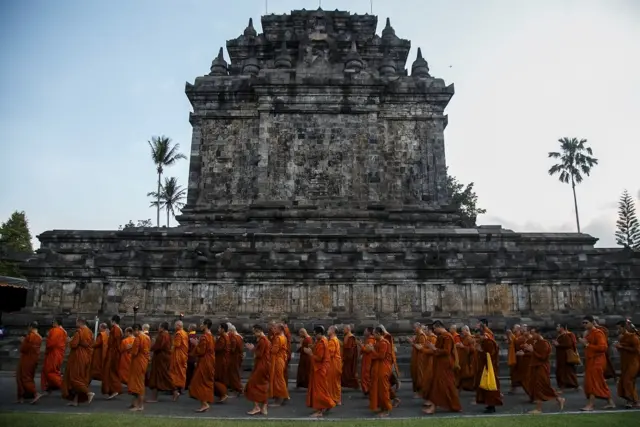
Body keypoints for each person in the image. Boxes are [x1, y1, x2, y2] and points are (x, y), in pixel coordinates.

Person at [421, 320, 461, 415]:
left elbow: (446, 351)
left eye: (435, 328)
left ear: (439, 327)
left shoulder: (447, 336)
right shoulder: (442, 336)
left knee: (439, 385)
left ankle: (434, 407)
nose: (434, 330)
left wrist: (433, 348)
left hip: (445, 364)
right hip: (441, 364)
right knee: (447, 386)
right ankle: (455, 406)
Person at [523, 327, 565, 414]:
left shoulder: (544, 343)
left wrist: (532, 350)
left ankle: (538, 409)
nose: (532, 335)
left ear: (539, 333)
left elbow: (543, 357)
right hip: (535, 366)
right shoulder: (537, 342)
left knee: (540, 386)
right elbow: (535, 354)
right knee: (542, 386)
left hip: (541, 367)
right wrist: (528, 350)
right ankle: (559, 399)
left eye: (533, 333)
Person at [580, 315, 615, 411]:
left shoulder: (598, 333)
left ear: (592, 322)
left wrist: (587, 344)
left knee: (593, 382)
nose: (584, 324)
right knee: (598, 382)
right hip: (591, 360)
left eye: (586, 322)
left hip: (597, 361)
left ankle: (590, 405)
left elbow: (603, 348)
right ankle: (610, 402)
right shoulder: (588, 333)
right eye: (583, 323)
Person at [62, 318, 95, 406]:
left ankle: (88, 393)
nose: (75, 323)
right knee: (80, 377)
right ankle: (75, 401)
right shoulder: (90, 332)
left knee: (74, 378)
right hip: (87, 357)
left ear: (80, 322)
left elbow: (74, 344)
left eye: (76, 322)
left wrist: (69, 341)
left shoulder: (79, 332)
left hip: (78, 357)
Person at [305, 325, 336, 418]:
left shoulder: (322, 343)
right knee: (323, 389)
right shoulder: (322, 341)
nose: (314, 337)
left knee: (319, 391)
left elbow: (319, 358)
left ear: (319, 334)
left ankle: (319, 411)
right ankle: (328, 404)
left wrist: (310, 353)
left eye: (315, 335)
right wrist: (313, 347)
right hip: (322, 368)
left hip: (320, 369)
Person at [189, 319, 216, 413]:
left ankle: (205, 404)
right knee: (204, 382)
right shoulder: (211, 336)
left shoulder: (205, 337)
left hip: (205, 362)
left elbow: (201, 351)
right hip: (209, 362)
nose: (200, 326)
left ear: (205, 325)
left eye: (202, 324)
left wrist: (196, 344)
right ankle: (204, 403)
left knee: (198, 382)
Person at [366, 326, 393, 417]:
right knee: (378, 389)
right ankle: (381, 407)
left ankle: (387, 409)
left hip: (383, 368)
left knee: (384, 389)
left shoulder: (384, 343)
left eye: (374, 334)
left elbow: (381, 356)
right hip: (377, 368)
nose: (373, 336)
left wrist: (372, 349)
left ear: (378, 333)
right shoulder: (378, 342)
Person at [245, 324, 271, 416]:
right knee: (263, 385)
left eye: (254, 332)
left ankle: (257, 407)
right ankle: (264, 407)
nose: (254, 334)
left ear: (259, 331)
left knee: (253, 385)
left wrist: (252, 349)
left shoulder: (263, 341)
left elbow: (259, 354)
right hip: (264, 365)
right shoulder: (264, 340)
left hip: (262, 365)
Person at [475, 330, 503, 413]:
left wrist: (481, 351)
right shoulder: (484, 342)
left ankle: (492, 406)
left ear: (483, 335)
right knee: (485, 387)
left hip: (489, 368)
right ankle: (488, 404)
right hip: (485, 367)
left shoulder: (489, 343)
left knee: (490, 386)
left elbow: (491, 355)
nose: (477, 339)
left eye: (478, 336)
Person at [614, 320, 640, 408]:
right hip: (624, 362)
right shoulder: (621, 338)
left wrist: (623, 347)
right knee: (623, 382)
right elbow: (621, 350)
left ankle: (635, 401)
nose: (618, 330)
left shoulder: (633, 337)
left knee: (628, 381)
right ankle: (629, 400)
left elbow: (637, 350)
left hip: (633, 362)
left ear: (624, 327)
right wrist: (618, 347)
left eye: (619, 328)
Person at [16, 322, 42, 404]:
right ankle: (22, 397)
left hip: (27, 360)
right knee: (25, 377)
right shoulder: (39, 337)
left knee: (24, 378)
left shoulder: (30, 337)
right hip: (34, 360)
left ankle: (35, 394)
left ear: (31, 327)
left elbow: (23, 349)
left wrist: (22, 341)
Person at [40, 317, 67, 397]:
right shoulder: (63, 331)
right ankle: (49, 387)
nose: (52, 323)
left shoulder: (55, 330)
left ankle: (63, 386)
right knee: (52, 370)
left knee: (50, 371)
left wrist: (47, 348)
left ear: (56, 322)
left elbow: (51, 343)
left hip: (53, 353)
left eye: (53, 322)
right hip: (59, 353)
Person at [147, 322, 173, 402]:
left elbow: (158, 346)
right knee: (164, 375)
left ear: (162, 328)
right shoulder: (168, 335)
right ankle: (175, 391)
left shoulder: (163, 335)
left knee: (156, 376)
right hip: (164, 357)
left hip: (160, 357)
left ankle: (154, 398)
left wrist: (150, 348)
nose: (158, 328)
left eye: (159, 327)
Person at [127, 323, 151, 412]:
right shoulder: (147, 337)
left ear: (136, 329)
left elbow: (134, 352)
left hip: (138, 362)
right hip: (144, 362)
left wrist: (130, 348)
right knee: (139, 383)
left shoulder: (138, 338)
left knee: (138, 385)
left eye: (133, 331)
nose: (133, 334)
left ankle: (139, 406)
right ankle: (135, 403)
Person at [553, 324, 579, 392]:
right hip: (561, 356)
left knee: (565, 372)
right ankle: (572, 385)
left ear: (562, 328)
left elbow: (569, 344)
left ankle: (563, 386)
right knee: (565, 372)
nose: (556, 328)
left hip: (565, 357)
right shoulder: (560, 335)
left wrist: (558, 345)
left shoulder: (566, 335)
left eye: (558, 327)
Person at [269, 324, 290, 406]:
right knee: (279, 378)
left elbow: (274, 350)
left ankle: (280, 400)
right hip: (281, 359)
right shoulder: (283, 337)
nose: (273, 329)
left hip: (278, 360)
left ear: (280, 329)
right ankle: (283, 396)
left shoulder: (279, 338)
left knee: (278, 379)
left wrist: (269, 347)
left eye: (275, 328)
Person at [103, 315, 123, 399]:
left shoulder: (115, 329)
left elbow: (113, 342)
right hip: (114, 352)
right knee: (111, 371)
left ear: (113, 321)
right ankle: (112, 390)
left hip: (113, 353)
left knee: (111, 371)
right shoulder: (118, 329)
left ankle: (115, 389)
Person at [170, 320, 189, 401]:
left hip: (178, 356)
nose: (174, 327)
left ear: (178, 325)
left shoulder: (179, 333)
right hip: (183, 356)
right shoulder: (185, 333)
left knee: (174, 373)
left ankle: (176, 391)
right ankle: (178, 389)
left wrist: (171, 347)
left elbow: (177, 344)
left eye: (175, 325)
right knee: (180, 372)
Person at [456, 326, 476, 392]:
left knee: (468, 374)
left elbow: (473, 349)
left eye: (463, 330)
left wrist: (463, 346)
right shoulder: (465, 338)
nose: (462, 332)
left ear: (467, 330)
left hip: (468, 360)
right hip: (463, 359)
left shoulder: (469, 338)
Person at [409, 322, 427, 397]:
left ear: (419, 327)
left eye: (414, 327)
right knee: (415, 374)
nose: (413, 329)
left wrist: (412, 343)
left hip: (420, 358)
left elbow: (420, 347)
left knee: (420, 375)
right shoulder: (418, 335)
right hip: (416, 358)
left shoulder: (422, 335)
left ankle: (421, 392)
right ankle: (418, 391)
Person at [214, 323, 230, 403]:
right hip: (222, 360)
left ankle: (223, 394)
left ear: (223, 329)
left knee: (216, 378)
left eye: (219, 328)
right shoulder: (225, 337)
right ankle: (222, 394)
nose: (218, 330)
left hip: (220, 361)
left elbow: (217, 348)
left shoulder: (223, 339)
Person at [327, 326, 343, 406]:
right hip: (337, 363)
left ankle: (335, 399)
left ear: (332, 331)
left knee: (333, 381)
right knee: (336, 382)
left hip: (333, 363)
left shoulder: (332, 340)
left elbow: (330, 353)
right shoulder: (336, 339)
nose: (327, 331)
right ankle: (337, 399)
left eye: (328, 329)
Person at [227, 323, 244, 395]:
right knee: (235, 373)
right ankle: (236, 387)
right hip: (238, 357)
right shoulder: (239, 337)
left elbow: (233, 349)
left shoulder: (234, 338)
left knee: (234, 373)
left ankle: (238, 389)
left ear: (231, 331)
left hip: (234, 357)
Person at [359, 327, 376, 396]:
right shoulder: (368, 340)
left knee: (366, 375)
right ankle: (367, 390)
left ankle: (368, 389)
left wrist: (361, 345)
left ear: (369, 332)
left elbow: (367, 350)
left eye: (365, 330)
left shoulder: (371, 340)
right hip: (366, 360)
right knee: (364, 375)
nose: (364, 331)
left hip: (368, 360)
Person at [341, 325, 359, 390]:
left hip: (349, 357)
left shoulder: (351, 337)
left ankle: (353, 384)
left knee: (348, 371)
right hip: (346, 356)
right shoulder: (346, 336)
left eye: (344, 329)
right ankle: (346, 384)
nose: (343, 330)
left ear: (348, 329)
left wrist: (346, 357)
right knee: (345, 371)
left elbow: (350, 349)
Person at [185, 324, 198, 390]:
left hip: (189, 356)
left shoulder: (189, 336)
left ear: (191, 328)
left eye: (188, 327)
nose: (187, 328)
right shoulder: (196, 336)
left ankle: (187, 385)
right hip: (194, 357)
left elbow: (187, 347)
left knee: (188, 372)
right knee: (192, 371)